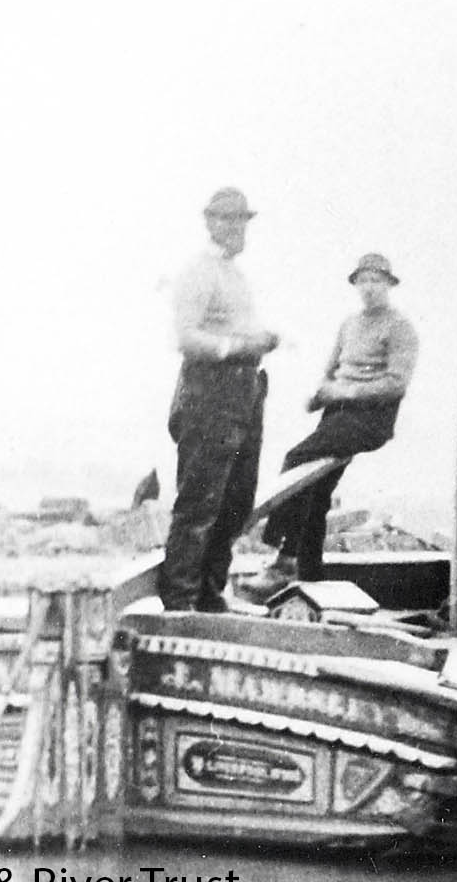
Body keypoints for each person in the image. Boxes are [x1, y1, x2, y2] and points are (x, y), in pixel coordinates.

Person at [241, 253, 419, 600]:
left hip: (371, 418)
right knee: (317, 489)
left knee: (298, 459)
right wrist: (319, 396)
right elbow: (330, 370)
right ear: (356, 285)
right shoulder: (349, 324)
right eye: (363, 281)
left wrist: (348, 391)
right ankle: (308, 571)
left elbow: (396, 384)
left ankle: (281, 554)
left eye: (376, 281)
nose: (369, 288)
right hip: (336, 414)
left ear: (389, 285)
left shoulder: (400, 327)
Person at [158, 187, 280, 613]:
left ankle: (210, 595)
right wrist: (240, 346)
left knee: (236, 500)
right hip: (210, 393)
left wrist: (260, 344)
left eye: (242, 221)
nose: (237, 228)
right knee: (201, 499)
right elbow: (187, 337)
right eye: (228, 220)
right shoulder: (199, 271)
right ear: (210, 223)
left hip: (244, 392)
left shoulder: (235, 275)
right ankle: (180, 601)